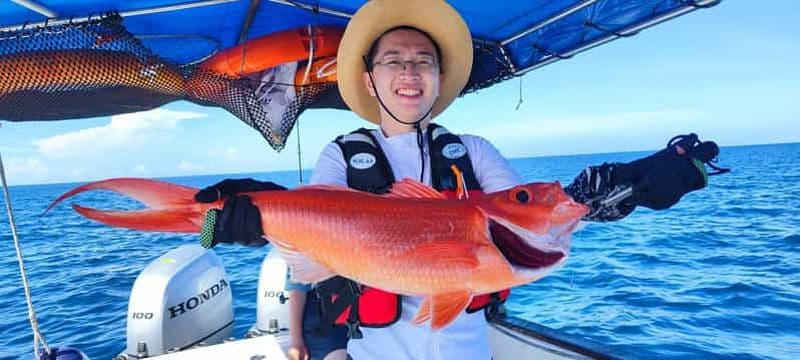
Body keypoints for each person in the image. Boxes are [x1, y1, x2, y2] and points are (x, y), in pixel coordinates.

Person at [195, 1, 726, 359]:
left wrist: (621, 188)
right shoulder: (342, 155)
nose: (410, 72)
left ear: (440, 78)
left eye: (424, 61)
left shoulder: (473, 151)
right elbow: (310, 245)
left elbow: (534, 218)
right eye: (395, 61)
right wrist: (248, 221)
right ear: (368, 78)